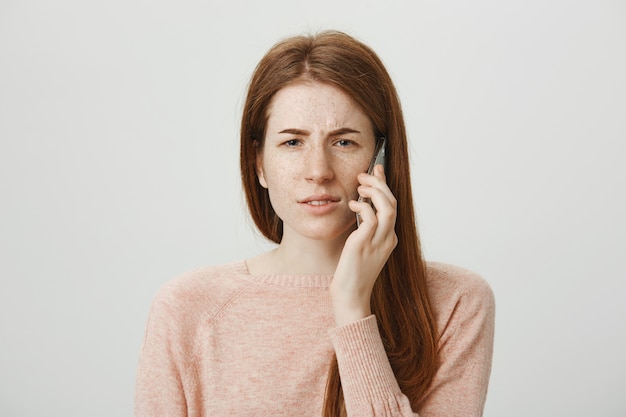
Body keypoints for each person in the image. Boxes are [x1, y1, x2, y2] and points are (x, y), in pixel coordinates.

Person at [134, 30, 495, 417]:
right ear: (259, 163)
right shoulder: (188, 308)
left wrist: (352, 308)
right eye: (293, 142)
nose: (318, 171)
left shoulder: (454, 303)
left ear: (383, 159)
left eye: (344, 142)